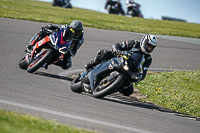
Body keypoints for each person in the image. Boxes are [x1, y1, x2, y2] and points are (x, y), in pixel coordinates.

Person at [85, 34, 158, 82]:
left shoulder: (148, 59)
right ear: (144, 41)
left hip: (128, 70)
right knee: (104, 53)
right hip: (119, 59)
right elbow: (117, 45)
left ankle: (111, 87)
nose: (149, 48)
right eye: (148, 45)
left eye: (151, 47)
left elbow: (143, 73)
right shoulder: (134, 43)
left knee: (129, 91)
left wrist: (138, 78)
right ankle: (91, 64)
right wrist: (118, 51)